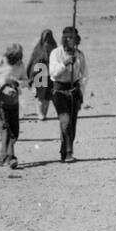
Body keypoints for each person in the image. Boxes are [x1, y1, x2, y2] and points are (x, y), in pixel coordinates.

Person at [49, 26, 88, 162]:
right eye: (70, 38)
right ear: (65, 39)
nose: (73, 41)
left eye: (75, 38)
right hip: (59, 91)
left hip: (74, 91)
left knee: (72, 123)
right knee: (65, 121)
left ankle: (64, 150)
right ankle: (69, 152)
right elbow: (53, 73)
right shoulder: (56, 53)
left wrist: (81, 92)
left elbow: (84, 75)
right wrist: (65, 63)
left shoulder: (79, 55)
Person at [0, 43, 26, 169]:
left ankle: (3, 156)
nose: (19, 60)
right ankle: (11, 158)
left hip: (14, 103)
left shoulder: (21, 65)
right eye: (16, 57)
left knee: (15, 132)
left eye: (20, 57)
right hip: (0, 103)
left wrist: (17, 84)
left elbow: (25, 81)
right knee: (6, 131)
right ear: (10, 56)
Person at [26, 28, 57, 120]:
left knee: (47, 97)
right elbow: (32, 63)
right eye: (45, 37)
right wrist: (31, 77)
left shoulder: (54, 48)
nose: (47, 40)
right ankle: (40, 113)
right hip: (40, 75)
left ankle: (44, 113)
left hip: (50, 76)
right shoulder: (38, 49)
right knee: (40, 96)